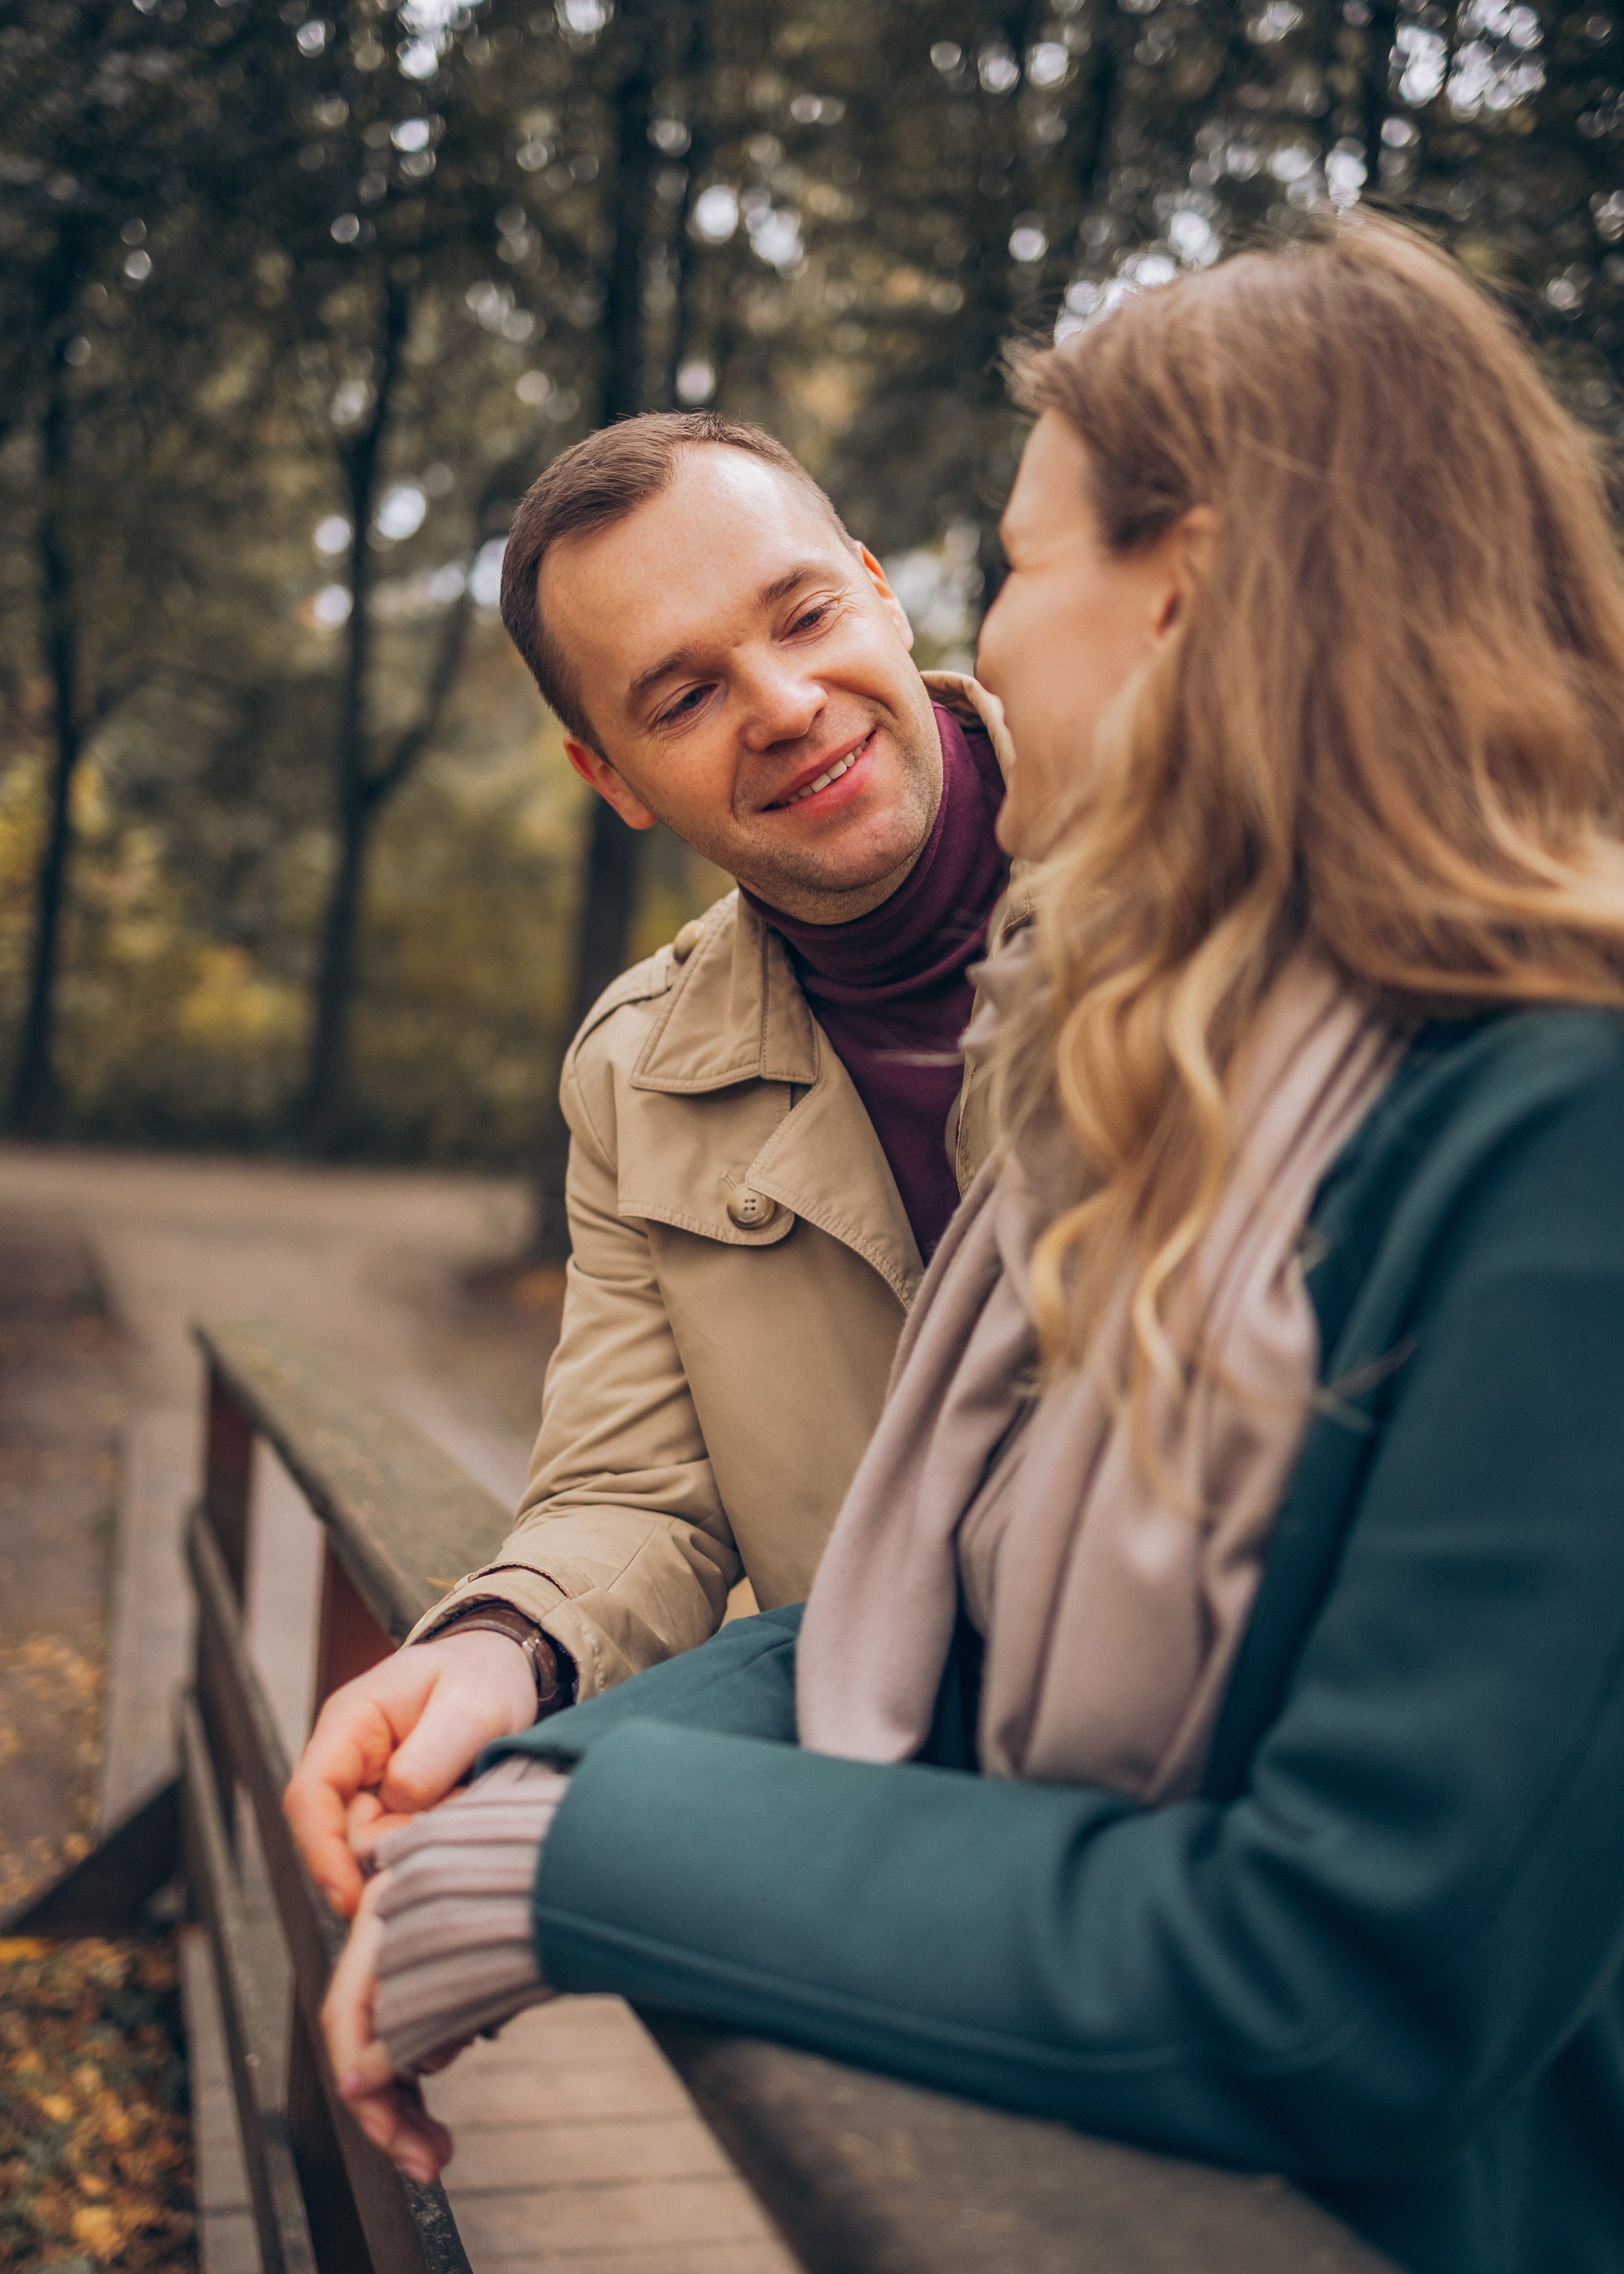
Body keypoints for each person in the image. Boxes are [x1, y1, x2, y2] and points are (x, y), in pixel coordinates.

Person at [325, 217, 1624, 2274]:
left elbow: (1364, 1958)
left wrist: (571, 1846)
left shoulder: (1445, 1084)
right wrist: (519, 1709)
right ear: (609, 778)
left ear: (1183, 588)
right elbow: (877, 1575)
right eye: (678, 688)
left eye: (989, 571)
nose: (963, 658)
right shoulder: (1164, 1031)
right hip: (966, 2016)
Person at [284, 414, 1019, 1917]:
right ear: (609, 775)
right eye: (681, 696)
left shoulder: (1216, 865)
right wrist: (498, 1646)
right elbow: (633, 1493)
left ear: (879, 588)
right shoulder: (636, 1070)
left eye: (804, 614)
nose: (784, 702)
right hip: (905, 1856)